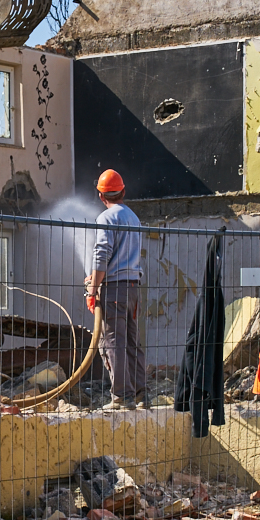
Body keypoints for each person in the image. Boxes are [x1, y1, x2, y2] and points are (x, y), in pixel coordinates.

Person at [84, 168, 147, 410]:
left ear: (101, 196)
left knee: (112, 342)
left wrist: (93, 287)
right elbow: (119, 257)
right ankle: (141, 395)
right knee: (132, 342)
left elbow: (102, 255)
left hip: (115, 290)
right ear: (123, 192)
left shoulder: (106, 218)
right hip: (133, 289)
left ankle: (121, 398)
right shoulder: (133, 218)